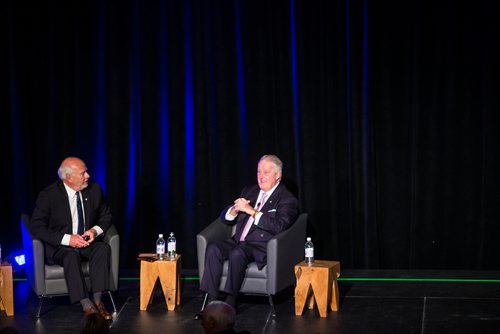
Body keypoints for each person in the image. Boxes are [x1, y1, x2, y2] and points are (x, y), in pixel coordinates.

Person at [200, 154, 298, 309]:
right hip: (238, 240)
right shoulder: (249, 191)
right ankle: (211, 302)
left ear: (278, 175)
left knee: (237, 253)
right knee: (213, 248)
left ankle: (230, 302)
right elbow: (224, 219)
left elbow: (279, 226)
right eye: (259, 172)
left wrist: (252, 211)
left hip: (259, 245)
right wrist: (233, 210)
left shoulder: (286, 199)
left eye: (266, 172)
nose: (261, 176)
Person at [29, 157, 113, 320]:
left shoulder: (94, 190)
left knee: (103, 249)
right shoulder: (49, 195)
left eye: (87, 171)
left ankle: (98, 302)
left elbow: (106, 216)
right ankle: (86, 305)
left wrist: (94, 232)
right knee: (71, 256)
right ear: (69, 178)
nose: (88, 175)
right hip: (61, 247)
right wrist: (68, 239)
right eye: (83, 173)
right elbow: (36, 226)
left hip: (85, 242)